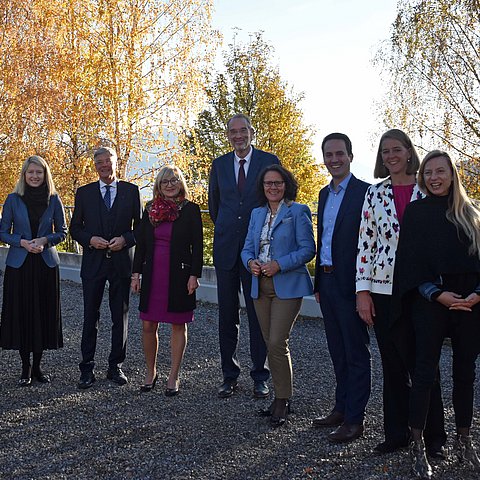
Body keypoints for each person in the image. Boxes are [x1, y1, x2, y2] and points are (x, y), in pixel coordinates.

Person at [356, 129, 446, 456]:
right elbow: (365, 244)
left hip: (424, 289)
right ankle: (397, 433)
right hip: (382, 288)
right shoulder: (374, 193)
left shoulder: (431, 189)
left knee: (426, 363)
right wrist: (362, 292)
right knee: (392, 362)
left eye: (397, 149)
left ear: (409, 152)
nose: (391, 156)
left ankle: (435, 438)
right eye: (385, 152)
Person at [393, 151, 480, 478]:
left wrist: (475, 296)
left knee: (465, 374)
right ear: (422, 177)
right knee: (424, 373)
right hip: (431, 300)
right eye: (428, 172)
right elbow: (409, 264)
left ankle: (464, 441)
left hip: (470, 304)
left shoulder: (470, 214)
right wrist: (438, 294)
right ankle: (419, 446)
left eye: (440, 171)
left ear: (452, 174)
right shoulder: (416, 213)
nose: (434, 177)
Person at [208, 113, 280, 399]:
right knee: (227, 316)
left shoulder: (267, 161)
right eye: (233, 132)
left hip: (257, 253)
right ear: (228, 135)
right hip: (226, 250)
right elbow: (216, 207)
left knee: (257, 315)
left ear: (252, 132)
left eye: (243, 131)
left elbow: (276, 199)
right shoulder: (220, 165)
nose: (238, 136)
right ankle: (229, 375)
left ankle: (260, 376)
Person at [241, 164, 315, 426]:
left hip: (287, 285)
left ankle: (283, 399)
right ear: (262, 187)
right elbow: (247, 248)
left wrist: (280, 264)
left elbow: (308, 249)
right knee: (269, 342)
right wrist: (249, 262)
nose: (273, 187)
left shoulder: (298, 211)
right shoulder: (256, 213)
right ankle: (279, 396)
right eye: (268, 183)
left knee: (276, 342)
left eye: (278, 183)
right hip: (259, 285)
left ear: (287, 184)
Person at [312, 133, 371, 443]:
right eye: (329, 154)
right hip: (328, 281)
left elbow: (369, 243)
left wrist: (365, 289)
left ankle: (355, 419)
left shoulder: (366, 193)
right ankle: (341, 407)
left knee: (356, 351)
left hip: (353, 283)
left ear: (350, 155)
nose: (334, 159)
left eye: (339, 154)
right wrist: (319, 282)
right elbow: (325, 240)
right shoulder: (324, 194)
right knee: (337, 350)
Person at [70, 146, 141, 389]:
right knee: (91, 315)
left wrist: (125, 240)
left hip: (122, 263)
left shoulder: (131, 191)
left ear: (116, 162)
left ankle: (115, 366)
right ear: (95, 166)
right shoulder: (84, 193)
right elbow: (75, 228)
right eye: (99, 162)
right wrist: (90, 239)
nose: (104, 165)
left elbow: (141, 228)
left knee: (119, 316)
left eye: (107, 161)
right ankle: (87, 367)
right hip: (93, 262)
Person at [131, 165, 203, 395]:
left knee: (177, 324)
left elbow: (198, 246)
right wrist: (135, 274)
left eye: (174, 180)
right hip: (152, 274)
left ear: (181, 183)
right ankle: (151, 372)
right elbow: (141, 244)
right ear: (158, 187)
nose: (170, 185)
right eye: (165, 182)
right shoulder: (150, 209)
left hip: (180, 276)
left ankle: (173, 376)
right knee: (148, 324)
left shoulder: (191, 210)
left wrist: (194, 275)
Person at [0, 155, 66, 385]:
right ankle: (25, 367)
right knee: (23, 313)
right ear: (24, 175)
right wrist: (23, 242)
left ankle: (38, 366)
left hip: (46, 264)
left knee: (43, 314)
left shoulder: (54, 199)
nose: (35, 176)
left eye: (39, 172)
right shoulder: (12, 199)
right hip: (20, 264)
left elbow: (63, 232)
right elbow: (3, 232)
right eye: (31, 173)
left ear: (45, 174)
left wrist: (45, 240)